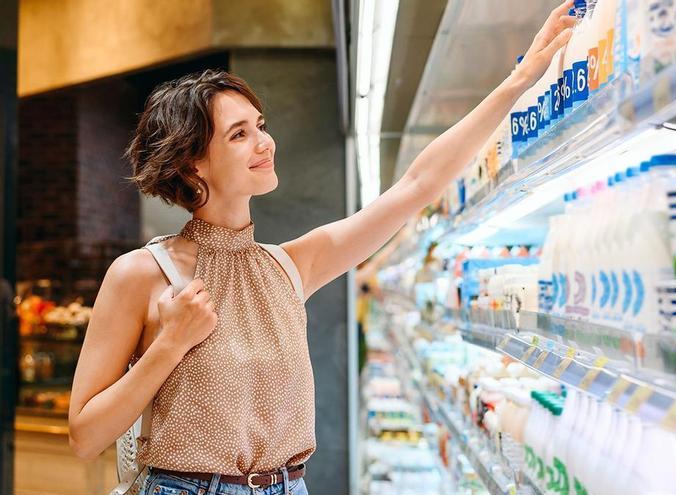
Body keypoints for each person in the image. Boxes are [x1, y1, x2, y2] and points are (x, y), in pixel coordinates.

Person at [67, 3, 574, 494]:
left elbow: (417, 185)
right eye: (239, 135)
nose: (265, 142)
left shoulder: (288, 267)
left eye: (260, 125)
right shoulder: (141, 274)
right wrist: (170, 344)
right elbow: (85, 435)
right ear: (192, 162)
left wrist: (520, 79)